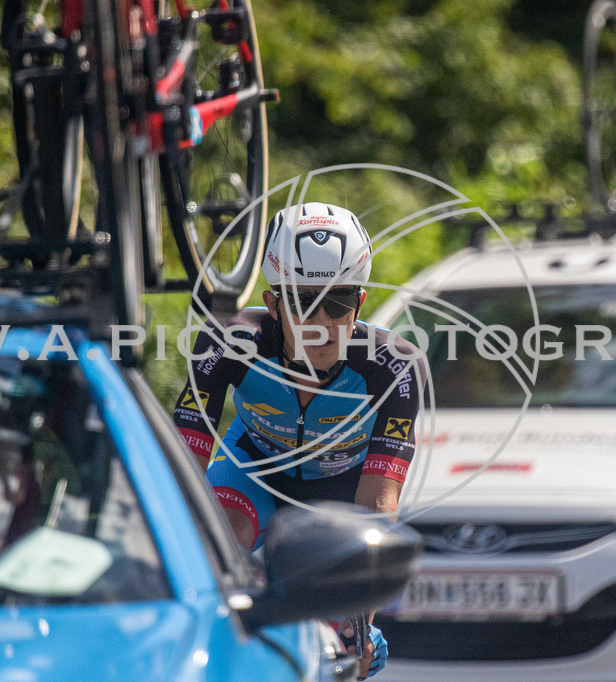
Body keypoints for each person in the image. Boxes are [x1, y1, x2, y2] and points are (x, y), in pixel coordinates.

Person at [173, 202, 426, 679]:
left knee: (342, 633)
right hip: (253, 471)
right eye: (305, 301)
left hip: (341, 492)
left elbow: (377, 502)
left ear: (360, 303)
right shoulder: (228, 341)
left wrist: (359, 620)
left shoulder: (394, 365)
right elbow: (182, 462)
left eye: (339, 302)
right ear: (272, 305)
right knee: (220, 535)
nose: (323, 321)